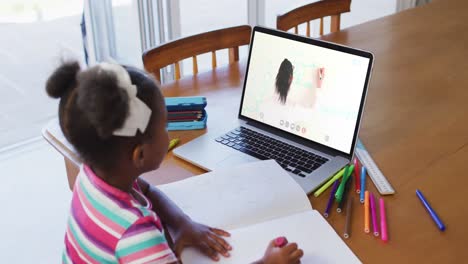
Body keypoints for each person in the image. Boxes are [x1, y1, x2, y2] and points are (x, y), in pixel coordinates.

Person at [46, 61, 304, 263]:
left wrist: (182, 224)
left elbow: (147, 190)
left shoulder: (93, 176)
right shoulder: (137, 235)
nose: (169, 134)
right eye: (165, 127)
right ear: (140, 155)